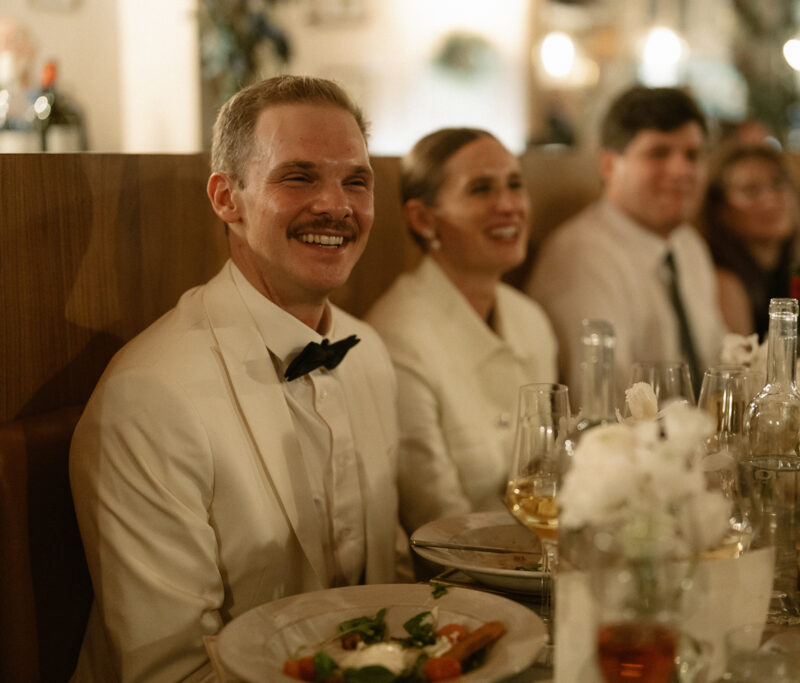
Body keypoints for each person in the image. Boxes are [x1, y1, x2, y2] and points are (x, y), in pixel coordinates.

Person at [69, 76, 404, 682]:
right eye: (299, 177)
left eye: (356, 180)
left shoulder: (370, 352)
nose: (337, 205)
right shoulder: (151, 396)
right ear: (228, 199)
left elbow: (393, 580)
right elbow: (171, 669)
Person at [365, 128, 557, 533]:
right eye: (481, 190)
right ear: (422, 218)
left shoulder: (530, 319)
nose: (508, 205)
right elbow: (439, 521)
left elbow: (557, 476)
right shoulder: (398, 337)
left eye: (515, 185)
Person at [527, 86, 726, 398]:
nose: (681, 170)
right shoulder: (583, 255)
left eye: (692, 155)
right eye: (658, 153)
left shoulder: (687, 243)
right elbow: (602, 402)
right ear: (608, 165)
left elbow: (718, 364)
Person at [698, 142, 800, 339]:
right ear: (721, 210)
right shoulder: (725, 280)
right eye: (751, 190)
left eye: (778, 184)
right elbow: (740, 365)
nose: (770, 199)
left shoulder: (796, 264)